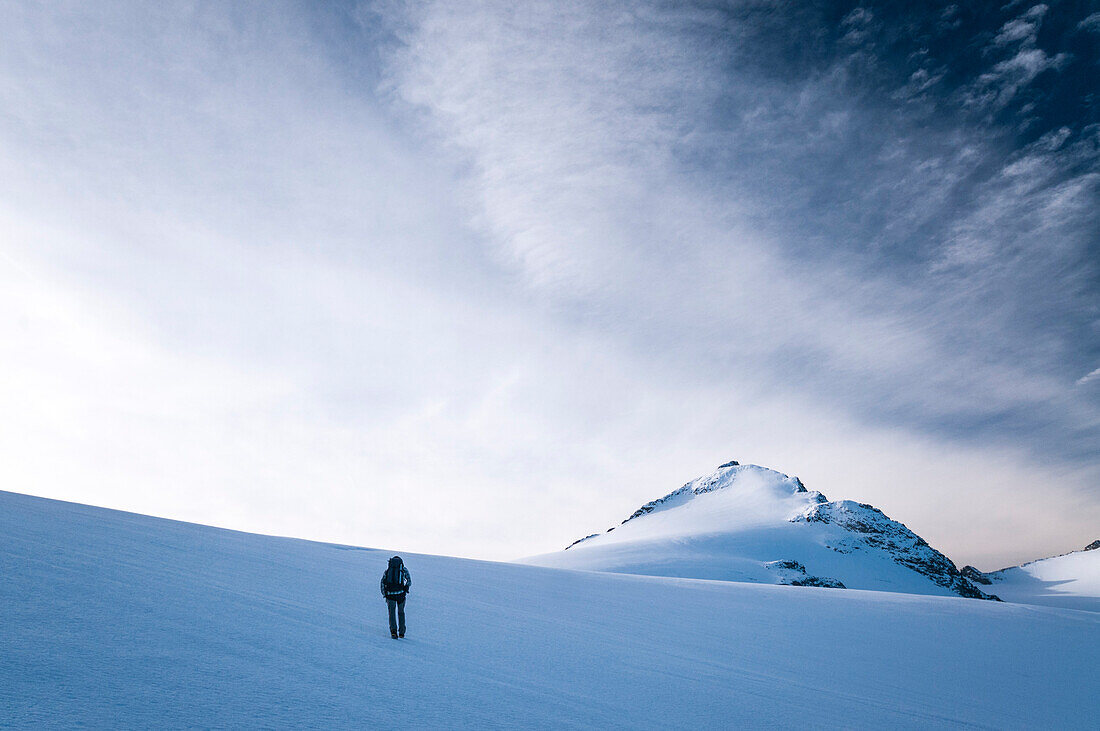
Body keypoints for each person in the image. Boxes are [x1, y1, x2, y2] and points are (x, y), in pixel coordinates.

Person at [380, 555, 411, 639]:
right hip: (401, 594)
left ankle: (393, 631)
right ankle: (401, 632)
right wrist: (405, 589)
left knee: (392, 613)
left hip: (390, 595)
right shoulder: (403, 570)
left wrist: (385, 594)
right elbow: (409, 581)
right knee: (401, 612)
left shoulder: (387, 571)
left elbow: (382, 582)